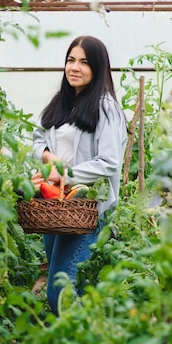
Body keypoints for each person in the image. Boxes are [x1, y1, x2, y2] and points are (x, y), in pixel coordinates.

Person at [30, 35, 128, 315]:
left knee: (60, 290)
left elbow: (109, 163)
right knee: (72, 285)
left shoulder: (106, 107)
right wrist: (47, 156)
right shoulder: (60, 103)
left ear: (98, 68)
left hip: (87, 207)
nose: (75, 67)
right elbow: (37, 138)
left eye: (84, 62)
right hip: (56, 206)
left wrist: (64, 174)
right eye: (70, 60)